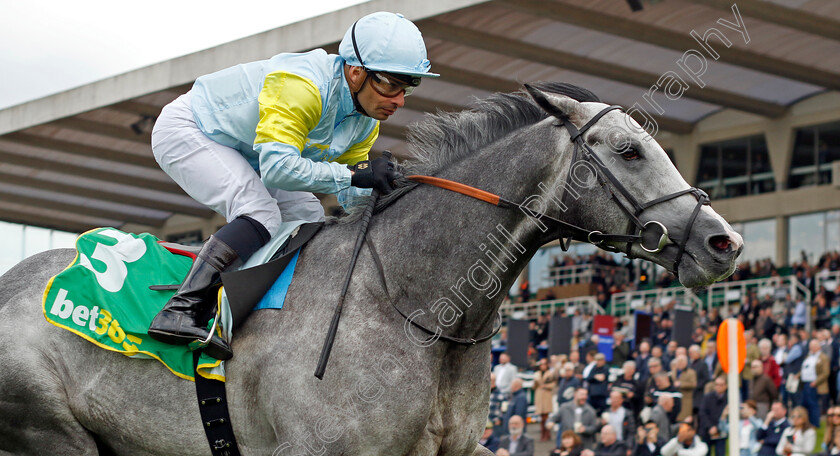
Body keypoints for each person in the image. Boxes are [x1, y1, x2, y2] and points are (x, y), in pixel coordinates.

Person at [145, 11, 438, 359]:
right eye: (390, 84)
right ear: (356, 72)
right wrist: (354, 175)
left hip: (246, 149)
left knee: (307, 216)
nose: (399, 100)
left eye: (407, 88)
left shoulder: (364, 122)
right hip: (190, 129)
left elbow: (351, 195)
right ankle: (182, 309)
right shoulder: (304, 86)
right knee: (259, 211)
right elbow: (276, 169)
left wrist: (390, 194)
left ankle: (255, 313)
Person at [801, 339, 829, 428]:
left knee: (814, 404)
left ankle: (815, 424)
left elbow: (825, 373)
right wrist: (797, 376)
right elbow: (804, 368)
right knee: (805, 404)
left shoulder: (823, 357)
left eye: (813, 346)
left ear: (818, 347)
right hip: (805, 383)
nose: (811, 348)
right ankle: (806, 423)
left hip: (814, 385)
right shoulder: (808, 356)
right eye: (810, 346)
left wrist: (815, 382)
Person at [699, 376, 728, 456]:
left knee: (720, 453)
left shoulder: (729, 398)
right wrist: (710, 427)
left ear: (726, 386)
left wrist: (718, 428)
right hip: (707, 431)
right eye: (717, 384)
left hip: (721, 432)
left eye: (721, 385)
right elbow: (702, 413)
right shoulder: (708, 397)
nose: (718, 387)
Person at [534, 358, 558, 442]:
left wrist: (545, 386)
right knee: (541, 417)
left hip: (546, 397)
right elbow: (534, 386)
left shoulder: (549, 374)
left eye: (544, 364)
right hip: (539, 396)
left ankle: (546, 434)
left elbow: (553, 384)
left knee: (546, 417)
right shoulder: (537, 374)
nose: (542, 366)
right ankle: (543, 433)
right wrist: (536, 383)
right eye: (541, 364)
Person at [672, 355, 697, 422]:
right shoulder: (673, 372)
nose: (680, 363)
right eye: (678, 362)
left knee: (684, 420)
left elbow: (693, 384)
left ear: (686, 363)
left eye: (682, 362)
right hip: (675, 399)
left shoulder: (691, 372)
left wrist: (681, 384)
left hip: (685, 399)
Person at [489, 373, 508, 439]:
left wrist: (500, 419)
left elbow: (505, 410)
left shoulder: (501, 395)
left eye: (491, 380)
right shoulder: (484, 394)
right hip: (485, 424)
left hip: (495, 424)